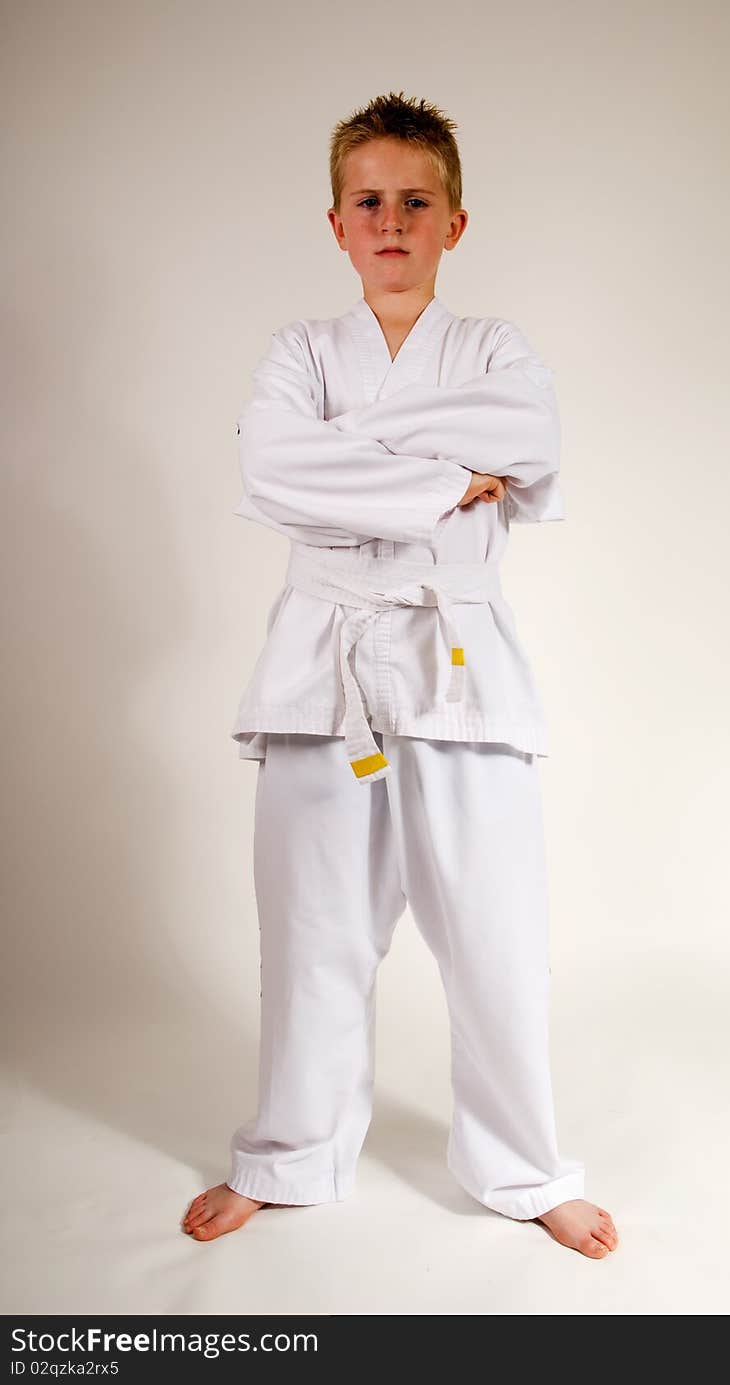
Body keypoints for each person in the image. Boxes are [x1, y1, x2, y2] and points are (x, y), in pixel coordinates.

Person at [182, 91, 618, 1260]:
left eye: (413, 202)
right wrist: (442, 468)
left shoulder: (499, 352)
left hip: (457, 654)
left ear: (453, 223)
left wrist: (351, 463)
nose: (390, 220)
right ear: (335, 223)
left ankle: (524, 1169)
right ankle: (291, 1151)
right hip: (320, 658)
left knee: (492, 930)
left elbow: (525, 434)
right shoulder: (299, 353)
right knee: (314, 928)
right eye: (367, 201)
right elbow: (272, 464)